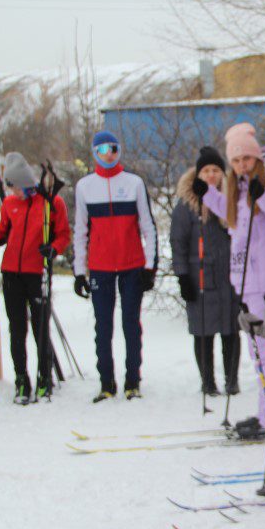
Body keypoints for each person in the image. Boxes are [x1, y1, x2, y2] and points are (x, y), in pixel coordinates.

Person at [194, 123, 265, 437]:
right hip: (247, 283)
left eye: (247, 159)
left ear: (257, 158)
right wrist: (210, 196)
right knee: (260, 355)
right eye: (237, 160)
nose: (242, 165)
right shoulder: (238, 190)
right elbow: (236, 225)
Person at [0, 153, 70, 404]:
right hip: (11, 274)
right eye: (11, 188)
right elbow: (3, 232)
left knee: (40, 327)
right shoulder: (9, 204)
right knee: (16, 329)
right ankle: (22, 379)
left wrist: (53, 249)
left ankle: (44, 377)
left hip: (37, 272)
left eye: (17, 187)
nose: (14, 192)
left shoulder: (51, 203)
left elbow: (63, 235)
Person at [73, 131, 157, 402]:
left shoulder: (133, 183)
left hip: (132, 265)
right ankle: (106, 383)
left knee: (131, 324)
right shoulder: (85, 186)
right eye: (102, 150)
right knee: (103, 327)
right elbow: (80, 231)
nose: (108, 154)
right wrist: (78, 271)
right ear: (95, 153)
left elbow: (148, 225)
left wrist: (150, 266)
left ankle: (133, 381)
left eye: (113, 148)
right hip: (101, 267)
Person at [170, 147, 241, 396]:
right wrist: (182, 276)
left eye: (216, 170)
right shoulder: (187, 205)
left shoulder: (231, 199)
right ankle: (207, 381)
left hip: (229, 276)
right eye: (206, 171)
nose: (211, 175)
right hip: (200, 276)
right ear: (198, 174)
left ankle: (232, 379)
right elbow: (177, 242)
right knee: (203, 332)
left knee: (231, 329)